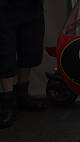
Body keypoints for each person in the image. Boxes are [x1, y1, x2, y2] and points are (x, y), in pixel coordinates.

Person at [0, 0, 47, 128]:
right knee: (5, 51)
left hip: (32, 7)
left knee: (31, 49)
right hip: (4, 8)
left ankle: (22, 95)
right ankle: (7, 101)